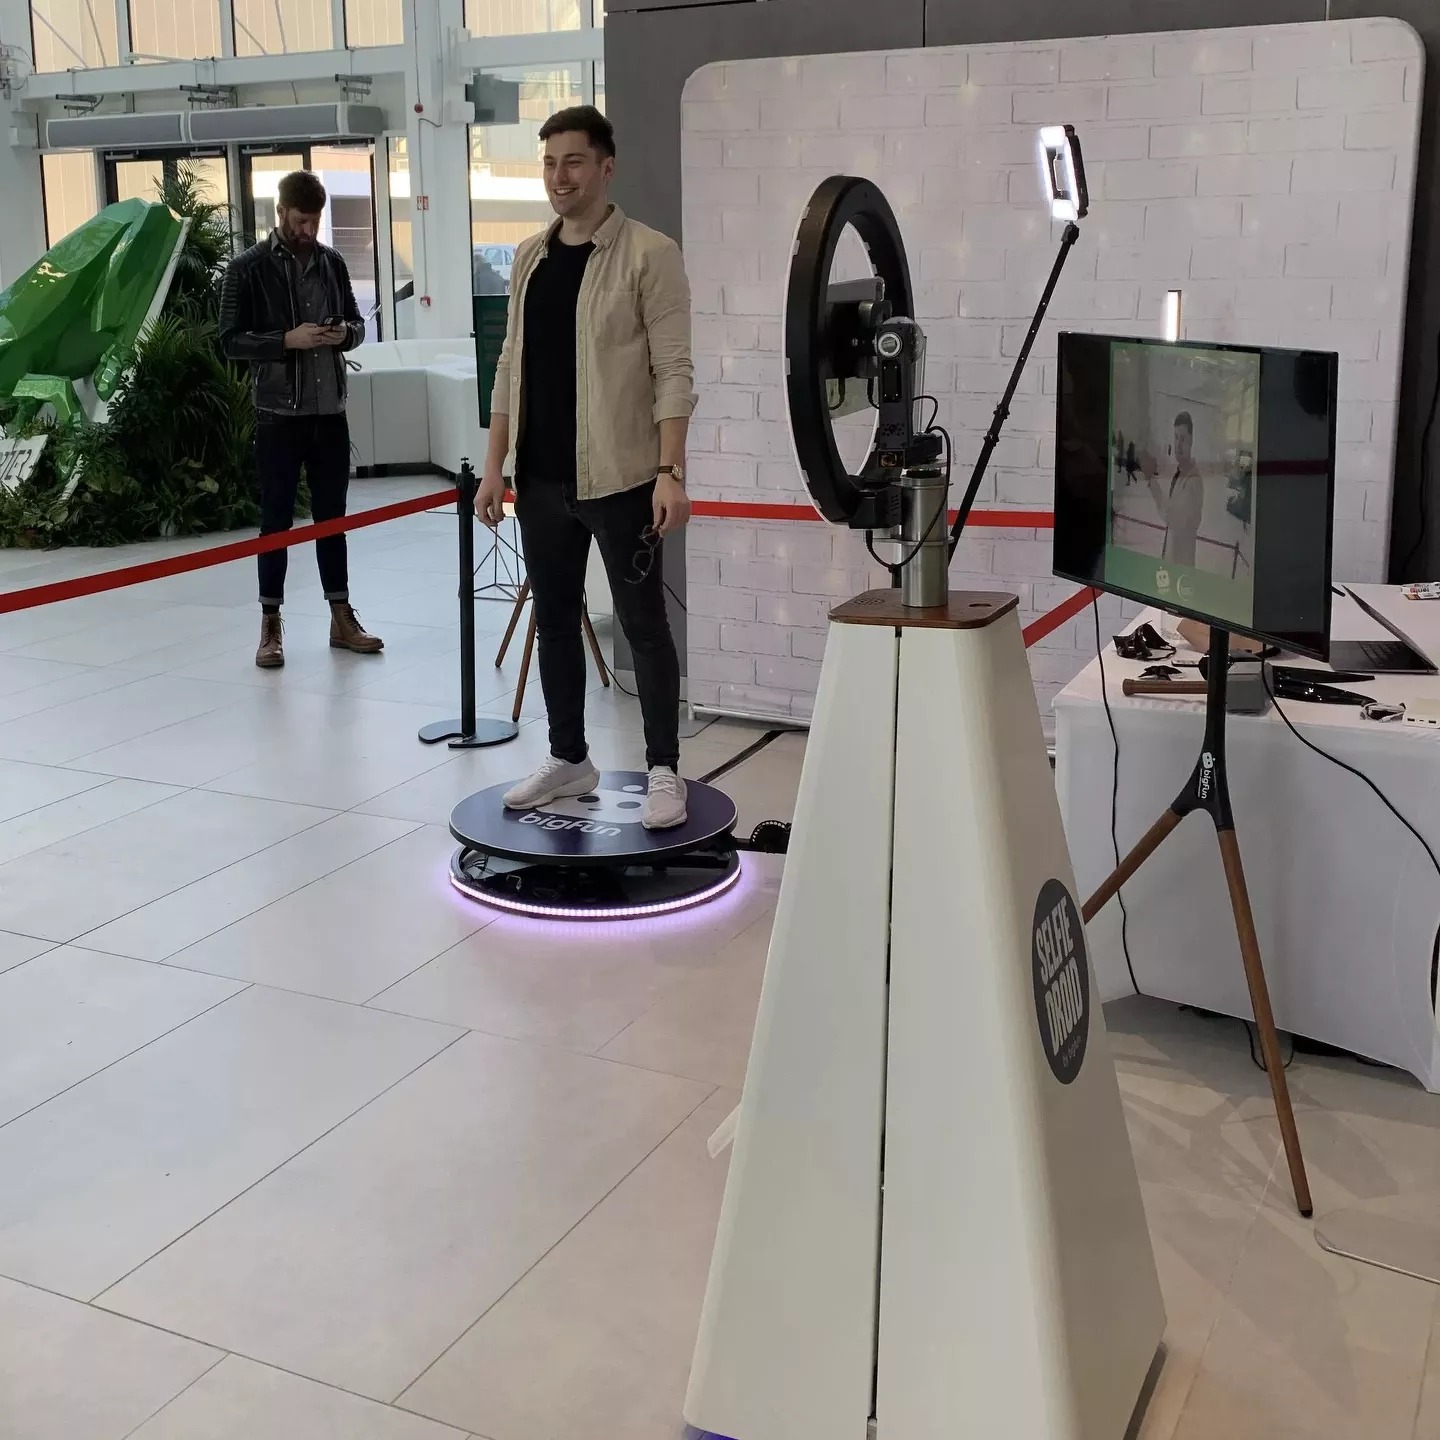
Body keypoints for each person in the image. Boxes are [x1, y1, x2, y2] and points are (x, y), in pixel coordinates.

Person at [479, 105, 695, 831]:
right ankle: (568, 757)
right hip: (540, 480)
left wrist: (670, 470)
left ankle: (664, 767)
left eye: (573, 161)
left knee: (643, 626)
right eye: (549, 163)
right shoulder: (529, 257)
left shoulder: (649, 254)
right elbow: (510, 366)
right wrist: (494, 467)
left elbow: (673, 370)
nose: (559, 177)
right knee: (556, 621)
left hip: (622, 477)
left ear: (606, 168)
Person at [219, 169, 383, 669]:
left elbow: (358, 324)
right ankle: (270, 624)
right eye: (300, 221)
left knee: (333, 519)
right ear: (280, 212)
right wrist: (285, 340)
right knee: (276, 522)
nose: (309, 231)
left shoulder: (332, 263)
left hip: (330, 412)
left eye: (315, 222)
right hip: (278, 415)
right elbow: (228, 340)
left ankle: (341, 617)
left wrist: (343, 334)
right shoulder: (247, 268)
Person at [1143, 410, 1204, 568]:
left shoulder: (1193, 481)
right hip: (1173, 563)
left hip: (1181, 567)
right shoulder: (1180, 474)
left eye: (1183, 439)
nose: (1178, 445)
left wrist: (1152, 483)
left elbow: (1172, 517)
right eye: (1176, 437)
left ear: (1191, 441)